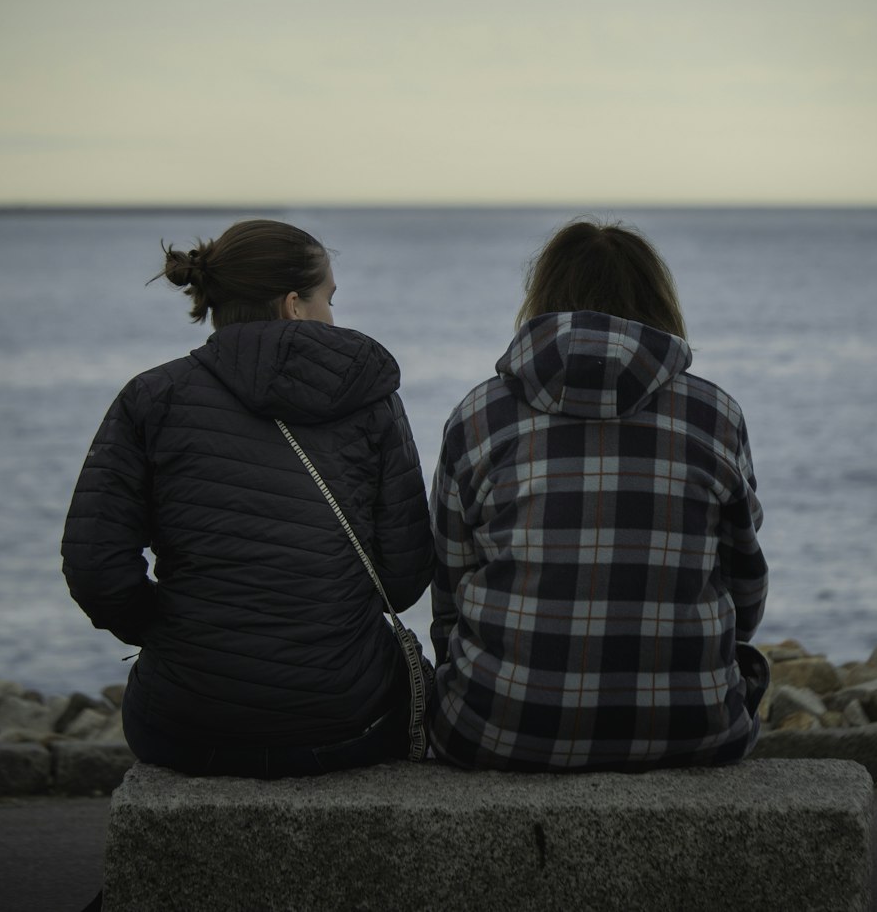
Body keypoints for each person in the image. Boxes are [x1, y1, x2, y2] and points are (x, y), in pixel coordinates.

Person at [62, 219, 433, 780]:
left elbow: (96, 569)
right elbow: (403, 578)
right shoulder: (372, 400)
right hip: (344, 719)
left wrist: (178, 631)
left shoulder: (151, 397)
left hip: (187, 725)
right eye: (328, 299)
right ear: (293, 306)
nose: (334, 314)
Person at [429, 219, 769, 772]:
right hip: (694, 729)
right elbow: (744, 587)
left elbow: (449, 590)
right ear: (658, 301)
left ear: (542, 300)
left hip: (494, 729)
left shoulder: (477, 415)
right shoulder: (716, 415)